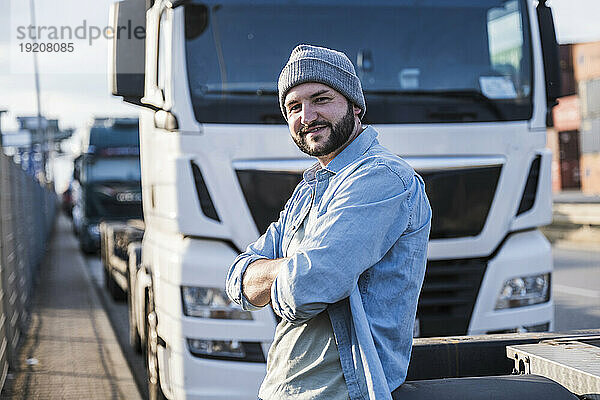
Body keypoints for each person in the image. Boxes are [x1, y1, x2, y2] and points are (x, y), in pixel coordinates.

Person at [226, 44, 431, 400]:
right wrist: (291, 269)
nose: (307, 116)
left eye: (321, 99)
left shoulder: (382, 177)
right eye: (294, 106)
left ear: (354, 105)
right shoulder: (309, 190)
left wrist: (272, 275)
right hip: (283, 388)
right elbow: (236, 280)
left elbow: (307, 287)